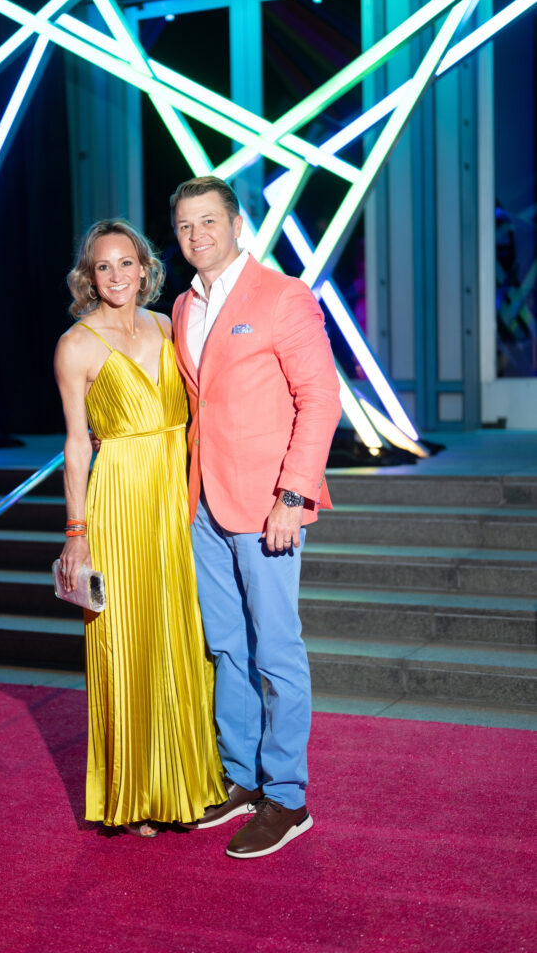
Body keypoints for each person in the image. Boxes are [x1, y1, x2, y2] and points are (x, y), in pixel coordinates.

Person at [170, 176, 342, 859]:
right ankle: (240, 778)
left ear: (237, 224)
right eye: (184, 226)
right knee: (226, 647)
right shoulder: (184, 306)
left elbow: (320, 398)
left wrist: (294, 496)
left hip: (267, 503)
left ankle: (287, 797)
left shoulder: (282, 296)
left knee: (275, 650)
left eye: (208, 222)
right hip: (203, 505)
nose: (196, 236)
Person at [54, 218, 226, 838]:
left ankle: (185, 780)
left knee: (182, 638)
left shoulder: (167, 325)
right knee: (125, 645)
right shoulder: (76, 346)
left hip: (175, 504)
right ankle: (132, 792)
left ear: (146, 269)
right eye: (104, 266)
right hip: (119, 504)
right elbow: (77, 446)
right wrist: (77, 533)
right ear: (88, 277)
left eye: (127, 263)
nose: (117, 276)